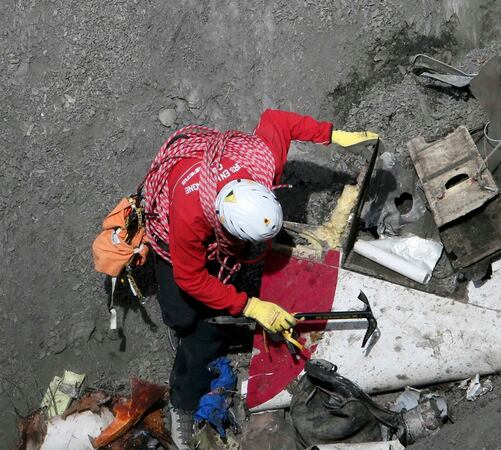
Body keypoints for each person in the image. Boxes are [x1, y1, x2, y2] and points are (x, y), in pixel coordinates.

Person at [141, 108, 378, 448]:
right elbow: (190, 278)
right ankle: (184, 402)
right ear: (222, 226)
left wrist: (332, 134)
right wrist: (251, 307)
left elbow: (277, 121)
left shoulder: (262, 165)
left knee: (222, 293)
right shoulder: (189, 218)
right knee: (193, 322)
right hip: (171, 220)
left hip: (212, 192)